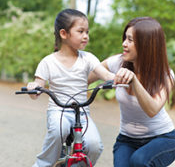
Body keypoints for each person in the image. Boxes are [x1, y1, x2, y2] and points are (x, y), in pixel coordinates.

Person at [27, 9, 128, 167]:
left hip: (82, 113)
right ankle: (42, 164)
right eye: (80, 31)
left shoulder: (88, 58)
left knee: (95, 146)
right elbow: (36, 91)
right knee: (59, 131)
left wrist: (119, 78)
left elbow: (106, 75)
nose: (86, 36)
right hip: (58, 111)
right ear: (64, 33)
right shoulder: (48, 62)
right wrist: (33, 87)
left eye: (87, 31)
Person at [88, 17, 175, 167]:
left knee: (139, 161)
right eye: (125, 38)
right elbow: (86, 79)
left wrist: (134, 81)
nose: (124, 44)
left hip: (163, 139)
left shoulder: (165, 74)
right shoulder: (117, 62)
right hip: (127, 140)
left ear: (146, 45)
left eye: (130, 40)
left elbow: (152, 110)